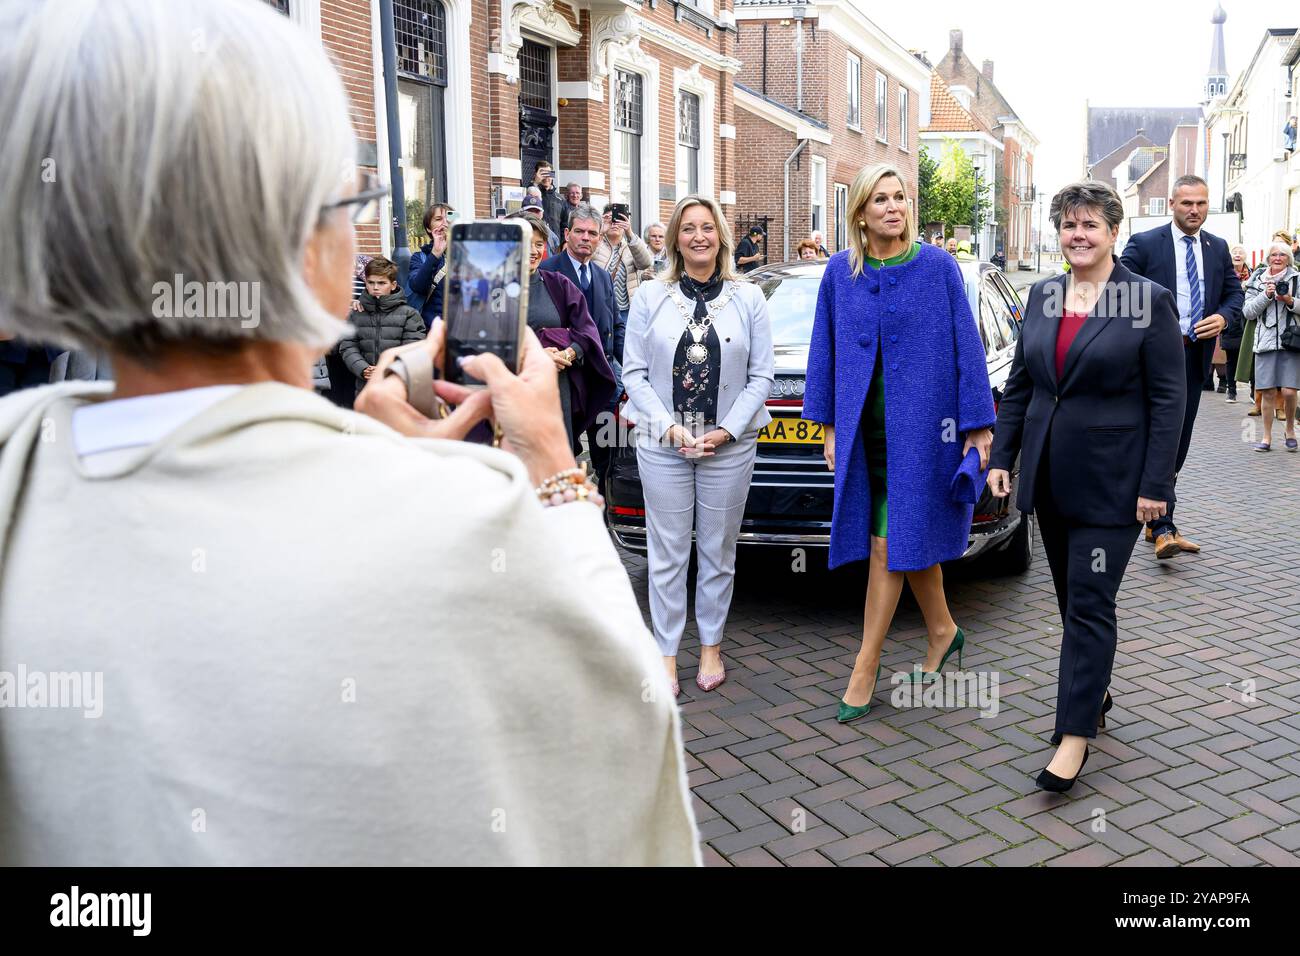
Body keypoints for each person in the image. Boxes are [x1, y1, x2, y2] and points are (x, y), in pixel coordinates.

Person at [0, 0, 698, 866]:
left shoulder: (19, 472)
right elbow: (622, 738)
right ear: (311, 242)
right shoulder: (469, 521)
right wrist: (552, 468)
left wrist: (375, 468)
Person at [988, 181, 1185, 792]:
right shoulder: (1044, 295)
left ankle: (1073, 738)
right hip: (1050, 477)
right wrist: (1003, 455)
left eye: (1091, 225)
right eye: (1069, 225)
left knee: (1090, 603)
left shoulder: (1148, 300)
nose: (1079, 235)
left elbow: (1168, 398)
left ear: (1112, 232)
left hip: (1115, 484)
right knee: (1074, 602)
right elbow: (1021, 384)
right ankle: (1093, 690)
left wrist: (1158, 487)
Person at [803, 163, 994, 724]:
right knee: (902, 536)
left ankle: (865, 665)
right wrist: (830, 426)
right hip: (866, 434)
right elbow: (825, 351)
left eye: (900, 198)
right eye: (880, 199)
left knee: (888, 543)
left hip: (924, 435)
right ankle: (942, 631)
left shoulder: (938, 268)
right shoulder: (840, 272)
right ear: (860, 213)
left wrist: (977, 427)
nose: (893, 207)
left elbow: (967, 346)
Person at [622, 195, 774, 697]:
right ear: (674, 239)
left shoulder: (748, 297)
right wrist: (667, 426)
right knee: (666, 552)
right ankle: (666, 653)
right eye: (688, 229)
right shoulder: (649, 296)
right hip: (664, 440)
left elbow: (761, 375)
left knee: (716, 548)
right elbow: (635, 374)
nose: (699, 237)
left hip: (727, 444)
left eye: (707, 227)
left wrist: (727, 429)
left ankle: (711, 644)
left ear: (721, 235)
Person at [1120, 174, 1243, 559]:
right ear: (1172, 203)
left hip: (1192, 359)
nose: (1194, 210)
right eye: (1187, 203)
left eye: (1202, 203)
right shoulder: (1144, 244)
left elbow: (1234, 294)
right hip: (1147, 359)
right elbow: (1118, 288)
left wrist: (1223, 318)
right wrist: (1153, 326)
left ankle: (1157, 518)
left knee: (1179, 437)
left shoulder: (1217, 247)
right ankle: (1159, 523)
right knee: (1152, 435)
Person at [510, 212, 616, 447]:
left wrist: (568, 353)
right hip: (513, 391)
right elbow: (480, 344)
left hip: (556, 390)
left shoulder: (557, 283)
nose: (534, 251)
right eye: (526, 243)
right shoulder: (488, 291)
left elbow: (588, 332)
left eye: (539, 244)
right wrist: (534, 355)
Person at [537, 204, 622, 486]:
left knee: (607, 447)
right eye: (579, 231)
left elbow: (615, 326)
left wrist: (629, 369)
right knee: (564, 450)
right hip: (566, 380)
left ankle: (606, 507)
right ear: (567, 234)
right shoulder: (545, 271)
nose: (586, 238)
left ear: (599, 238)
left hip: (601, 377)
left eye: (592, 233)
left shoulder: (602, 276)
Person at [338, 256, 427, 395]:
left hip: (397, 386)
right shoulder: (357, 313)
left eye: (381, 283)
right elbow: (347, 345)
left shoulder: (409, 315)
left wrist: (386, 370)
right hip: (364, 387)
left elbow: (412, 350)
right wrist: (362, 368)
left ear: (393, 285)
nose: (375, 287)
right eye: (371, 282)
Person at [1242, 241, 1300, 451]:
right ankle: (1266, 437)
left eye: (1282, 255)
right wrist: (1265, 295)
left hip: (1290, 342)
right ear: (1268, 259)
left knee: (1289, 391)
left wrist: (1289, 299)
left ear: (1288, 259)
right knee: (1266, 391)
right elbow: (1248, 312)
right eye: (1274, 255)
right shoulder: (1256, 280)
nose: (1277, 258)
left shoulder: (1296, 279)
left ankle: (1290, 429)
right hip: (1264, 342)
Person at [408, 205, 452, 330]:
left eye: (449, 218)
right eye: (438, 219)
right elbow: (418, 286)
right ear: (428, 228)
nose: (445, 223)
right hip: (432, 331)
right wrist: (435, 254)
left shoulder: (467, 254)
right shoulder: (420, 257)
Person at [1221, 243, 1252, 404]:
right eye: (1234, 252)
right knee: (1232, 356)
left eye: (1241, 252)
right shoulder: (1225, 275)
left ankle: (1254, 392)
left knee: (1251, 355)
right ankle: (1231, 390)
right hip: (1232, 319)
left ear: (1245, 256)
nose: (1238, 254)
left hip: (1248, 319)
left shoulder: (1252, 274)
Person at [531, 160, 567, 241]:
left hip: (555, 245)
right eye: (543, 174)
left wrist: (563, 243)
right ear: (536, 175)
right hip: (537, 241)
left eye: (549, 174)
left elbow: (565, 225)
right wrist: (535, 183)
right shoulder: (530, 194)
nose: (546, 177)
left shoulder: (560, 199)